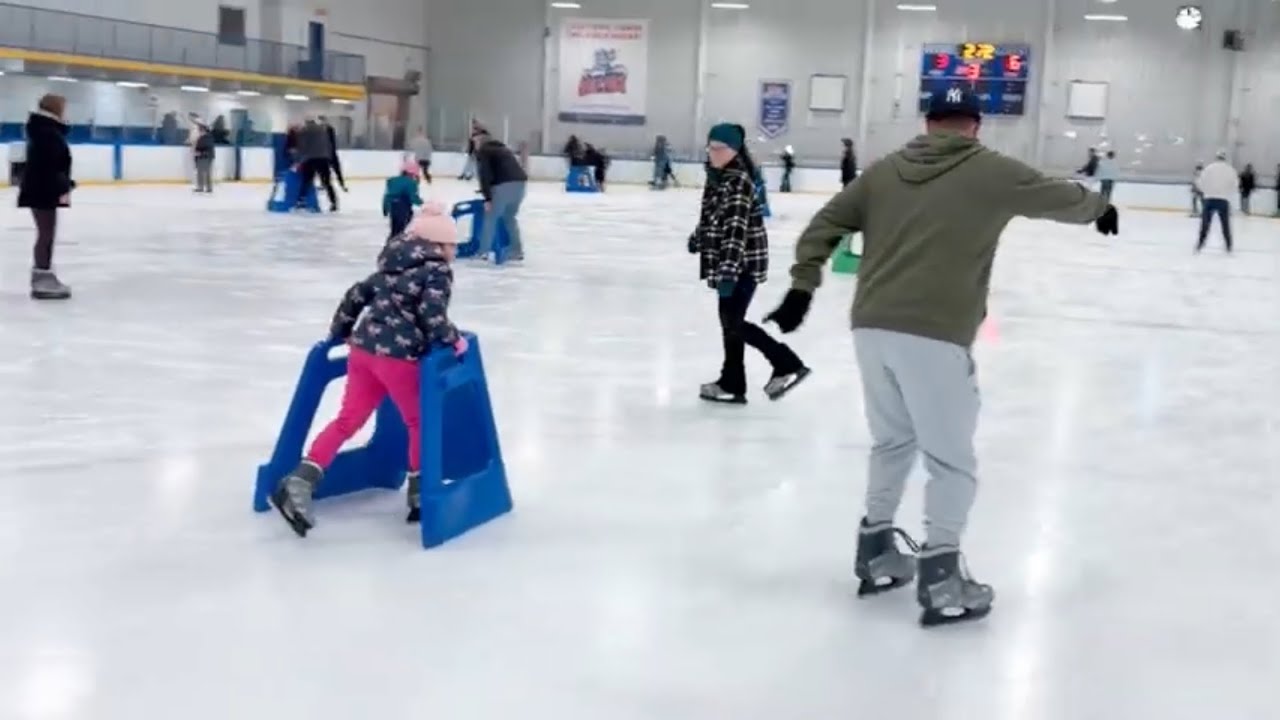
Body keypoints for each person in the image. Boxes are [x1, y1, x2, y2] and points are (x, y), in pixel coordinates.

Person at [764, 85, 1116, 627]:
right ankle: (943, 579)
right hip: (934, 333)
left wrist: (802, 286)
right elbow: (1059, 197)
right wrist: (1100, 207)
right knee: (951, 461)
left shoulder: (882, 173)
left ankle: (877, 550)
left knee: (892, 442)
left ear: (928, 122)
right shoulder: (991, 170)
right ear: (975, 124)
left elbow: (823, 226)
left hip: (872, 328)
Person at [270, 204, 469, 537]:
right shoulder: (436, 270)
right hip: (398, 358)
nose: (455, 251)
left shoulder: (393, 262)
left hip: (363, 351)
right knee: (419, 421)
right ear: (437, 245)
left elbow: (355, 295)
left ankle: (300, 481)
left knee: (348, 419)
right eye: (451, 244)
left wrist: (342, 331)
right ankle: (420, 492)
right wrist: (453, 340)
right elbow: (432, 315)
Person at [691, 123, 810, 405]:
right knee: (729, 323)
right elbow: (713, 217)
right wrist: (698, 237)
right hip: (728, 262)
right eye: (710, 147)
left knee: (733, 323)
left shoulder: (737, 182)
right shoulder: (717, 177)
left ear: (733, 151)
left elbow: (735, 230)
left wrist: (728, 273)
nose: (712, 153)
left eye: (719, 148)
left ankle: (787, 363)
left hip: (741, 264)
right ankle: (733, 381)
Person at [17, 93, 75, 300]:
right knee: (46, 234)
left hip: (44, 187)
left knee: (46, 233)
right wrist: (63, 185)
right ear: (54, 108)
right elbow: (48, 164)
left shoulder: (45, 129)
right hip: (43, 188)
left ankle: (44, 275)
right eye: (62, 106)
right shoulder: (46, 131)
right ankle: (42, 278)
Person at [473, 128, 528, 262]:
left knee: (490, 218)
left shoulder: (484, 151)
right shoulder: (502, 149)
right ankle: (517, 251)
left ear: (480, 140)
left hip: (504, 185)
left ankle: (483, 251)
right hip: (520, 184)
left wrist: (487, 198)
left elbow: (484, 174)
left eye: (474, 141)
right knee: (510, 217)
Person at [1195, 151, 1236, 253]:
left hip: (1209, 199)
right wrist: (1226, 193)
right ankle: (1228, 246)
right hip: (1223, 199)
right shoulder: (1230, 170)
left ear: (1216, 157)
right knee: (1225, 225)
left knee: (1205, 224)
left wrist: (1206, 192)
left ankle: (1200, 244)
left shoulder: (1208, 168)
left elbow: (1200, 182)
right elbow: (1235, 185)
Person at [297, 118, 339, 211]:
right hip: (323, 158)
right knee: (327, 182)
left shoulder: (304, 131)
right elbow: (328, 145)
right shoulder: (323, 130)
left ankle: (301, 201)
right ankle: (334, 202)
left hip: (310, 158)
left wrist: (300, 159)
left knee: (306, 181)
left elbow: (302, 146)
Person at [383, 157, 424, 238]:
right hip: (403, 209)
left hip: (393, 208)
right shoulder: (411, 183)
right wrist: (424, 205)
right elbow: (413, 197)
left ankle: (391, 245)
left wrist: (385, 208)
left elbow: (387, 196)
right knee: (401, 231)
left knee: (394, 230)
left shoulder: (392, 181)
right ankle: (397, 246)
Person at [320, 116, 348, 193]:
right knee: (325, 171)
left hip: (331, 153)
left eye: (324, 121)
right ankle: (324, 184)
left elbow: (332, 142)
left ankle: (342, 184)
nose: (323, 123)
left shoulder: (330, 129)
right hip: (324, 154)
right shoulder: (320, 131)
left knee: (337, 170)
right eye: (322, 121)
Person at [192, 123, 215, 193]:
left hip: (205, 157)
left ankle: (207, 187)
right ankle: (202, 187)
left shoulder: (207, 137)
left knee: (206, 172)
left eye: (200, 130)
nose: (199, 131)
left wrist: (199, 152)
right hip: (202, 156)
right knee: (200, 172)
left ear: (203, 130)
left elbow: (205, 147)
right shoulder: (203, 137)